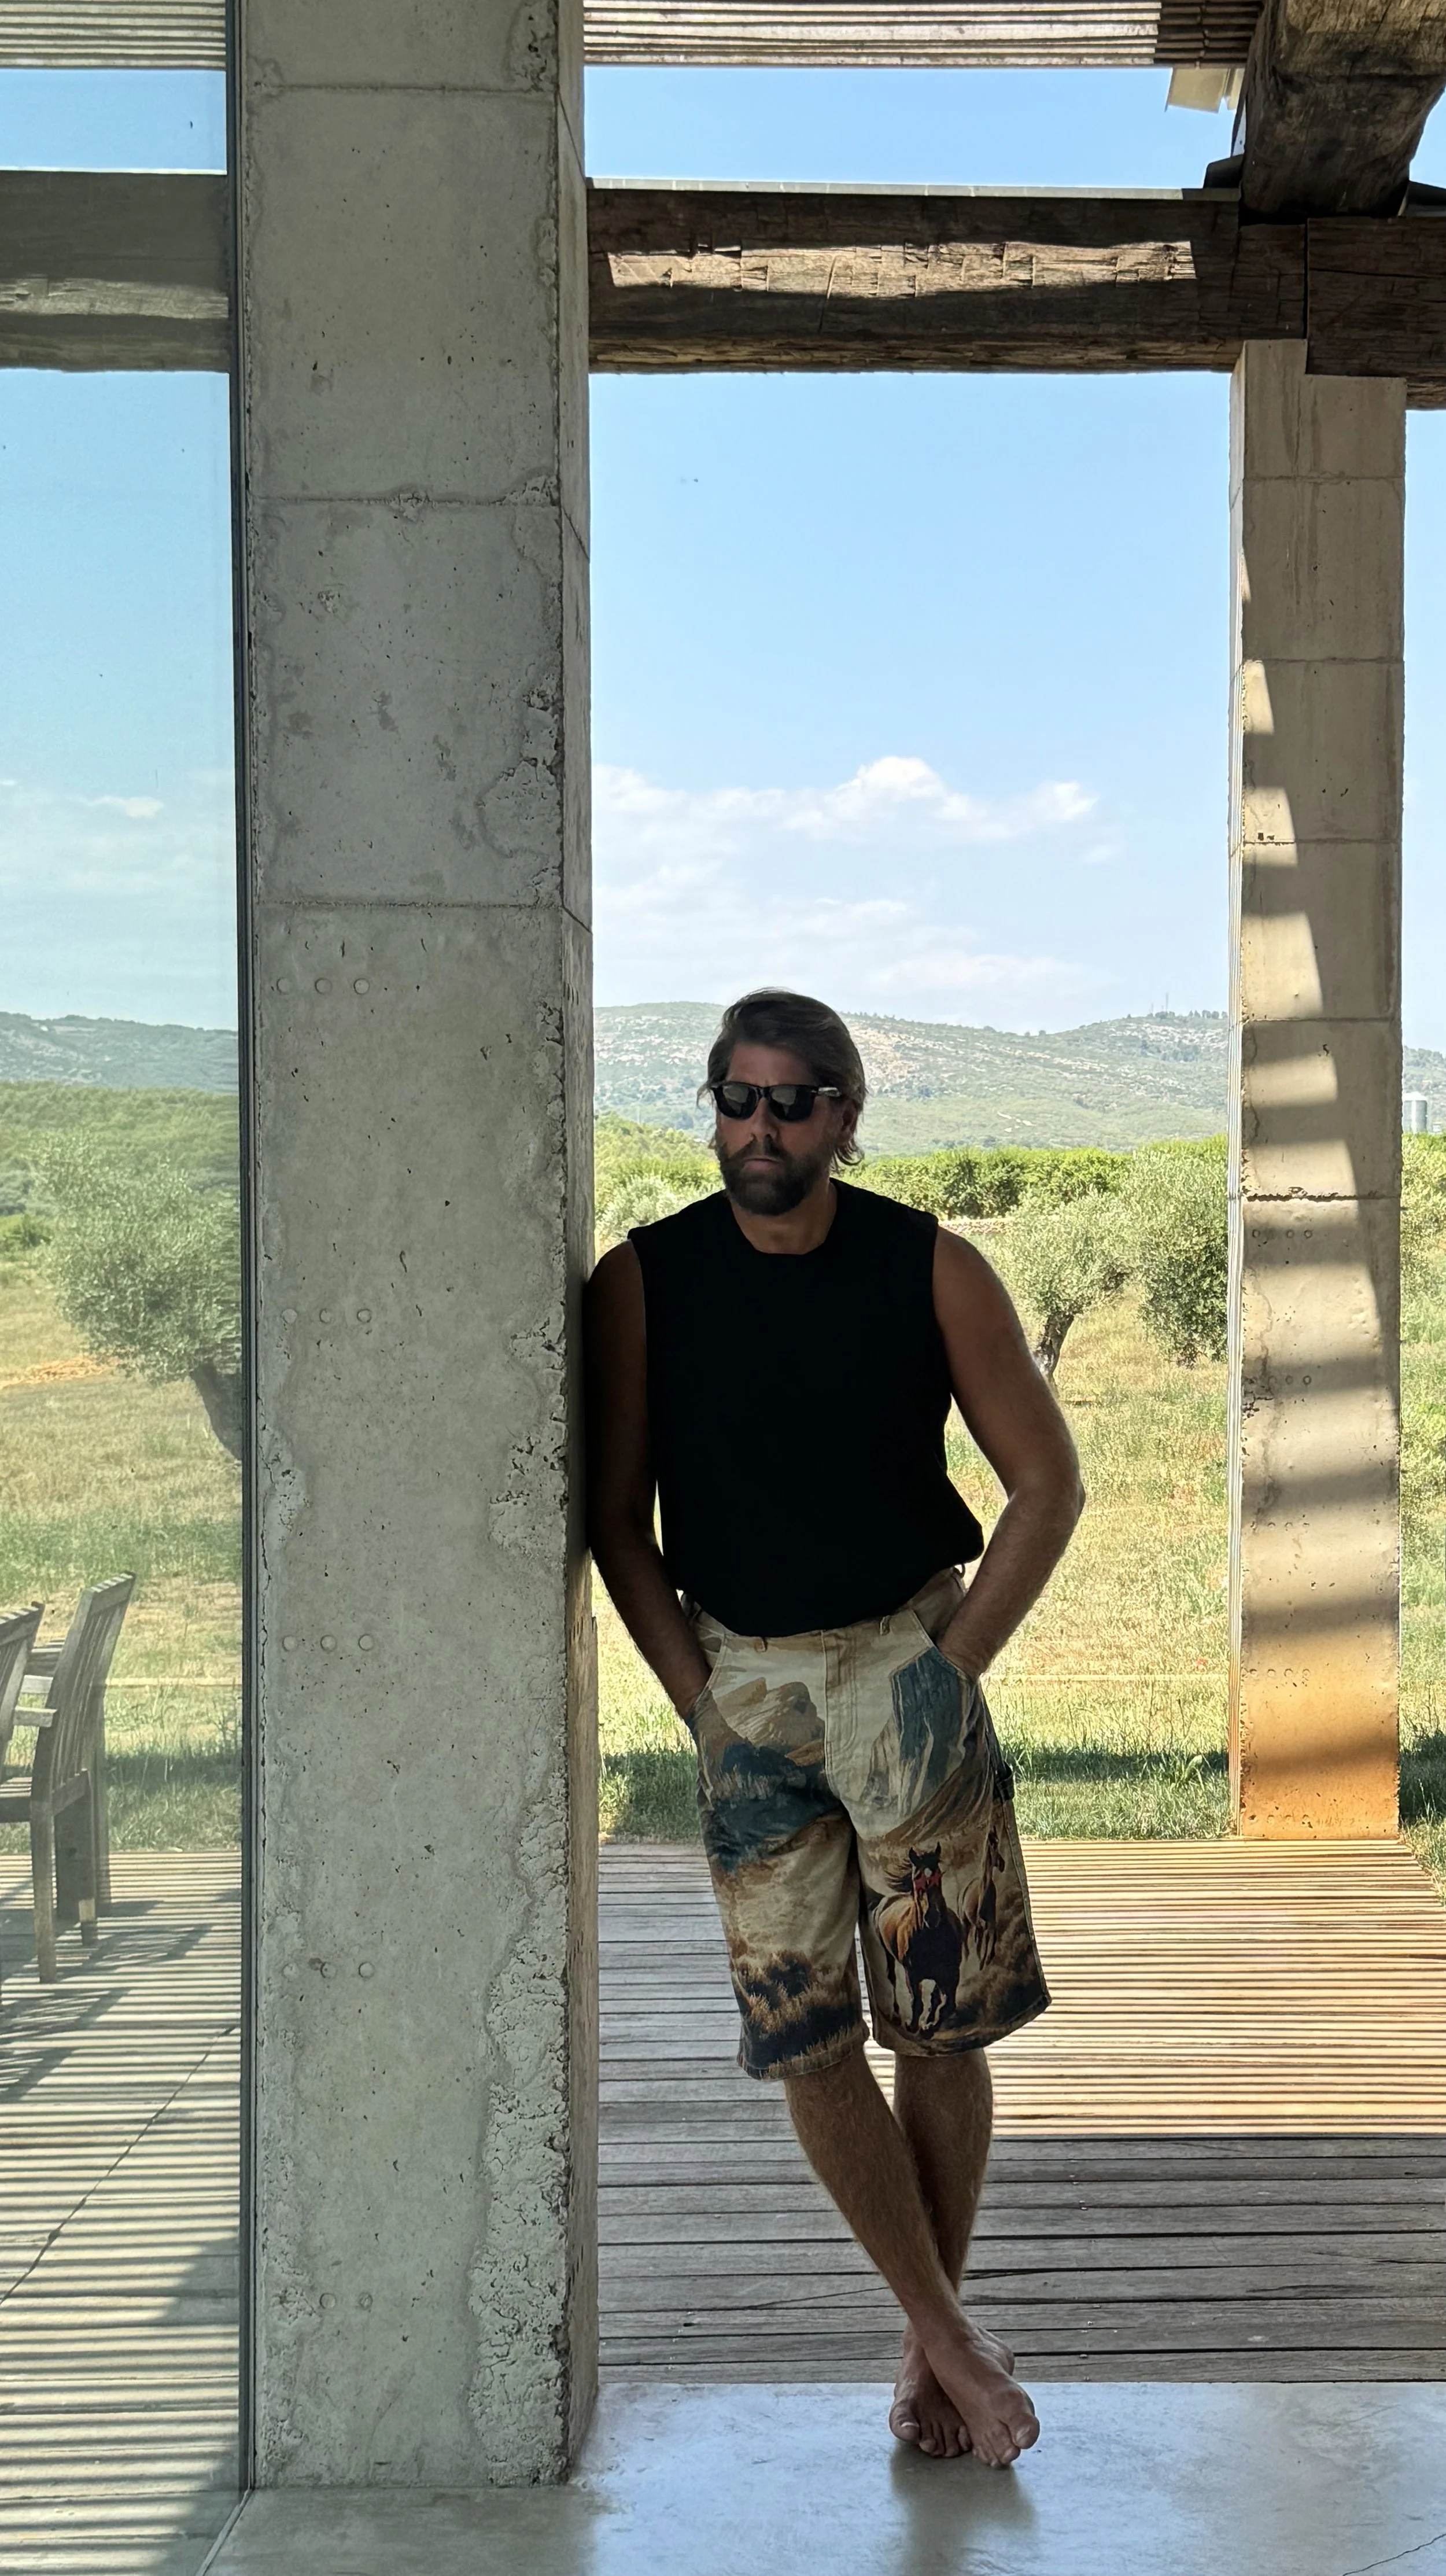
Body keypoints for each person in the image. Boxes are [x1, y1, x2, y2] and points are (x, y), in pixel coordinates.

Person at [585, 988, 1083, 2468]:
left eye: (790, 1103)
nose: (756, 1130)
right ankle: (947, 2342)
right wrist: (698, 1698)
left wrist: (950, 1668)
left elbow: (1043, 1490)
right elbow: (615, 1519)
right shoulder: (643, 1280)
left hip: (901, 1663)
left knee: (938, 2025)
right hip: (743, 1682)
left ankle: (928, 2339)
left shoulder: (929, 1267)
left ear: (845, 1118)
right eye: (733, 1100)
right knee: (807, 2040)